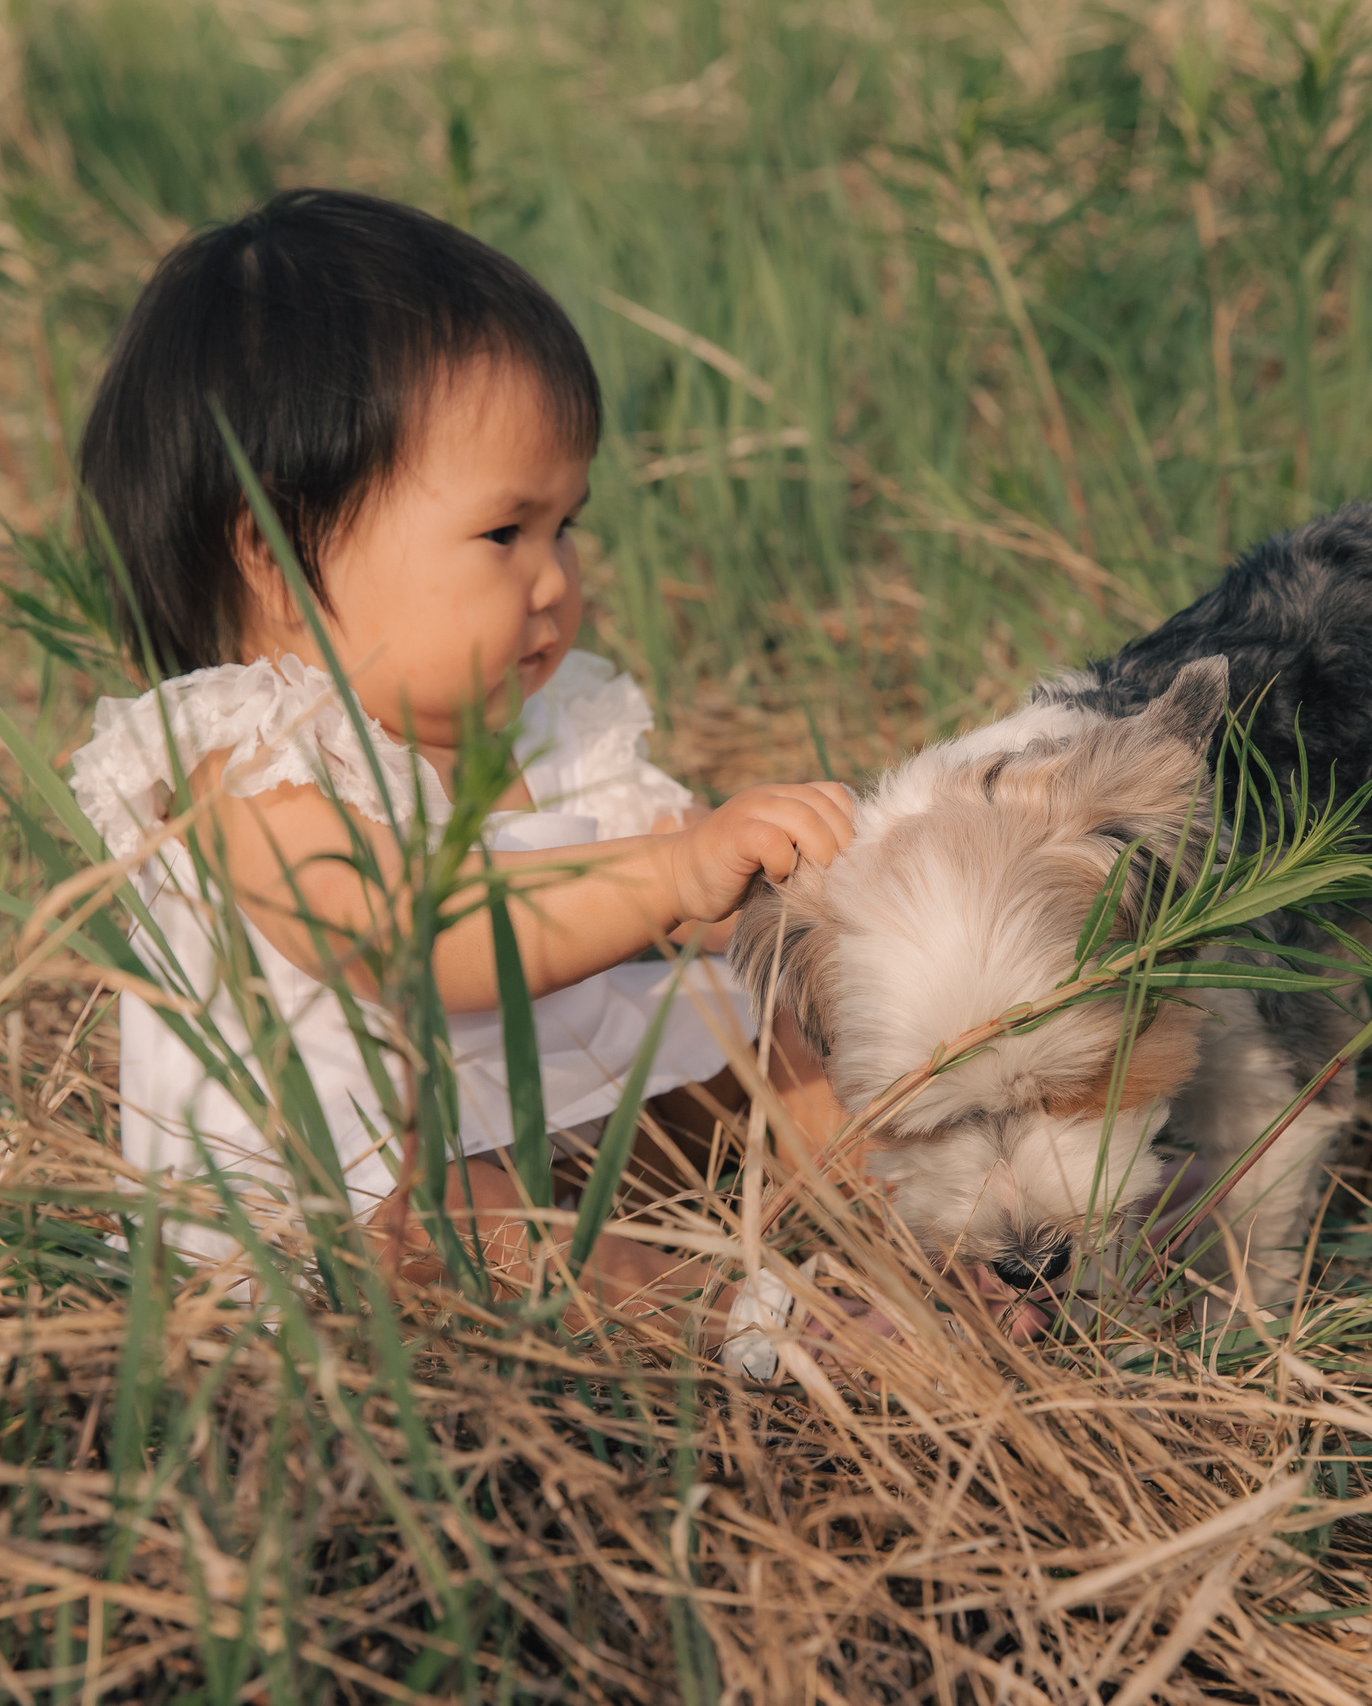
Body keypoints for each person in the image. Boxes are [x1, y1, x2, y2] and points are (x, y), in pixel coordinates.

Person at [66, 188, 855, 1351]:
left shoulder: (548, 720)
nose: (553, 579)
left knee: (773, 1028)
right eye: (503, 534)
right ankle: (758, 1325)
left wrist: (774, 880)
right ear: (276, 554)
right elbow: (414, 936)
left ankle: (918, 1215)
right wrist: (672, 872)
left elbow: (709, 898)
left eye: (564, 527)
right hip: (349, 1183)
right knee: (441, 1220)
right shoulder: (252, 763)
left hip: (534, 1118)